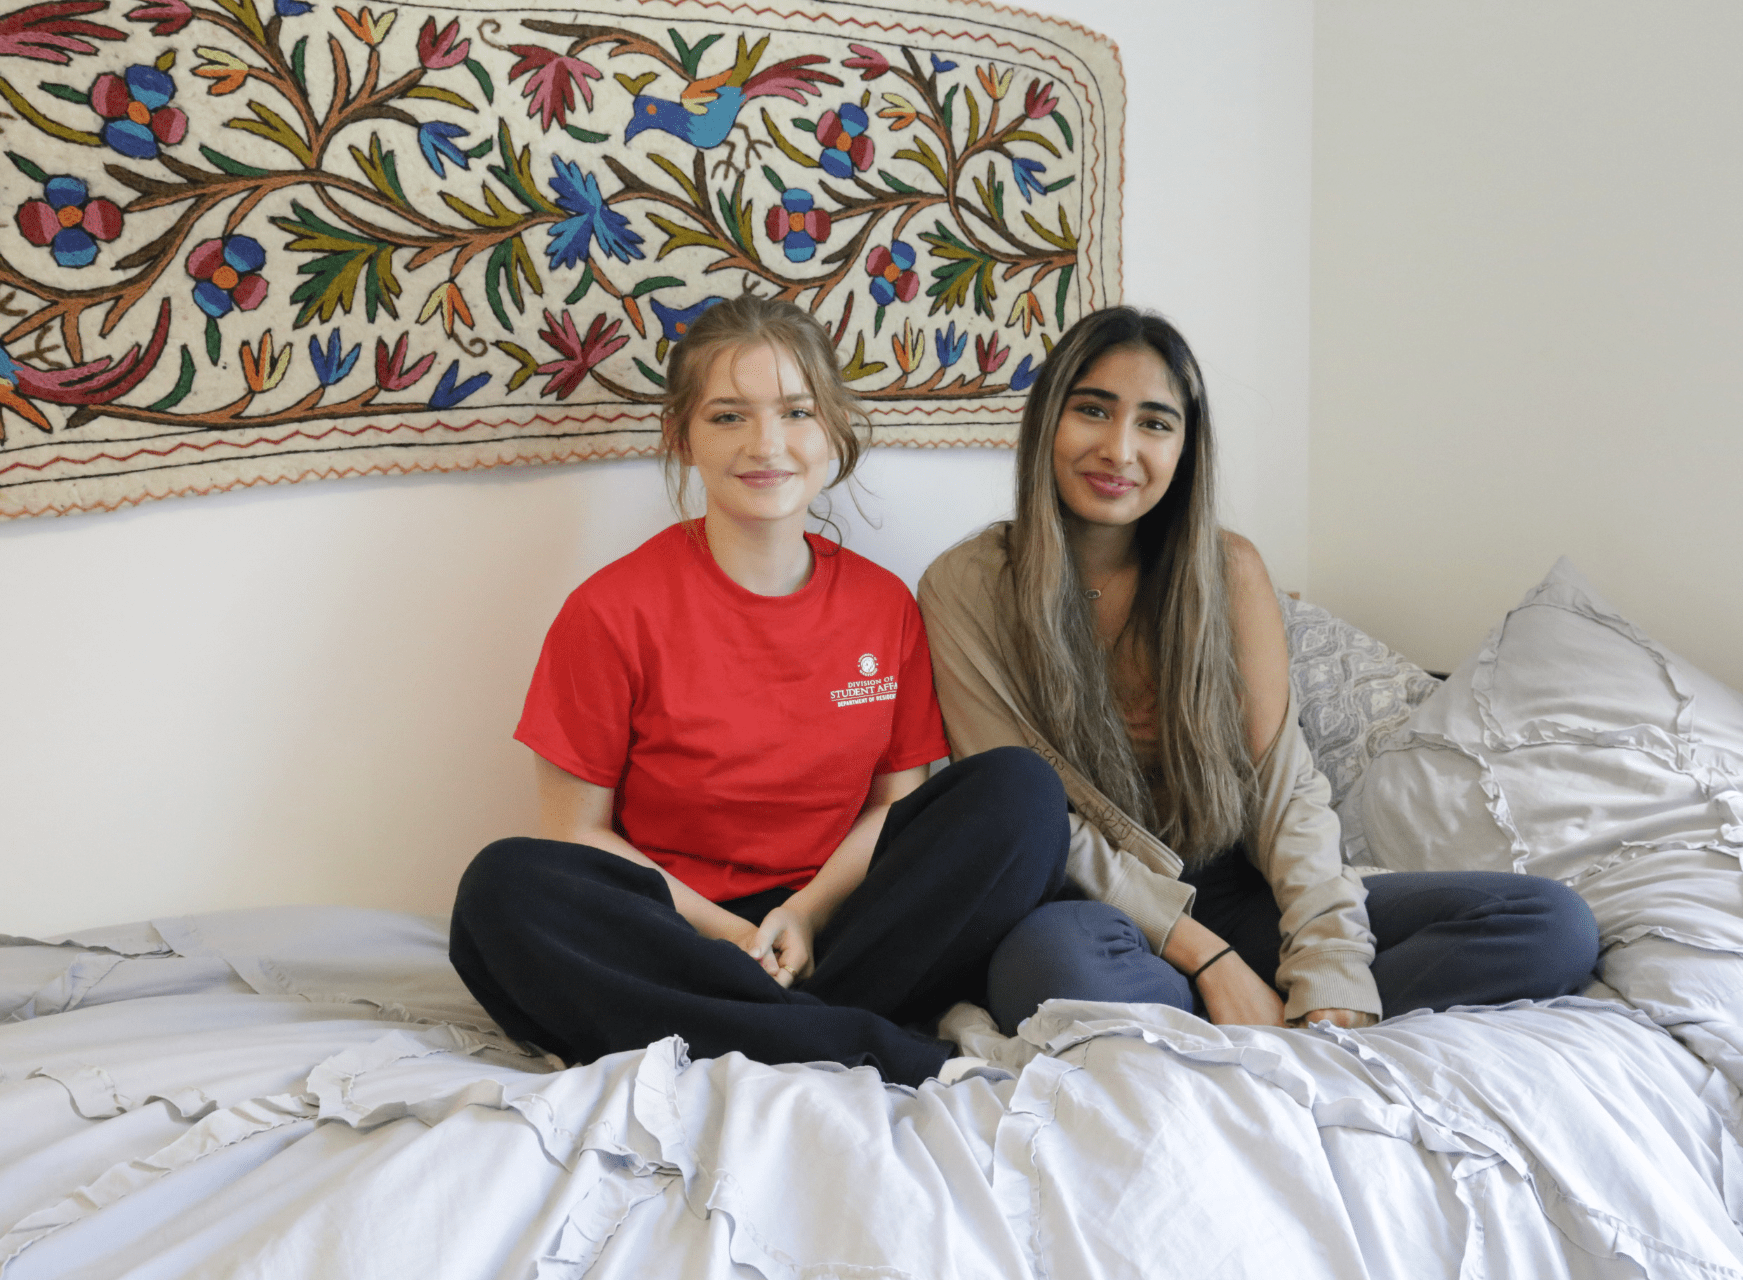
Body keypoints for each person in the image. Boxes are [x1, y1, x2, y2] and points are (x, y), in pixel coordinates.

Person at [917, 307, 1600, 1034]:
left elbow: (1284, 788)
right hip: (1087, 906)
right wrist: (1211, 963)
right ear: (1046, 421)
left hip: (1236, 889)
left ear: (1186, 447)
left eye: (1154, 423)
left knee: (1550, 924)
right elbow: (1036, 824)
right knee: (1052, 971)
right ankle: (1231, 1016)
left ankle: (1260, 1026)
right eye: (1092, 411)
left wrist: (1328, 962)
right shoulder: (964, 587)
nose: (1119, 450)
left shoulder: (1229, 571)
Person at [450, 295, 1069, 1085]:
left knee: (1023, 794)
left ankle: (748, 1031)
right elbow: (577, 835)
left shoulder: (885, 606)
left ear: (834, 427)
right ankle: (851, 1040)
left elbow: (894, 809)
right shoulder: (608, 612)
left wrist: (804, 914)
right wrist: (729, 937)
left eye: (796, 411)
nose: (766, 444)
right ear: (681, 437)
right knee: (499, 891)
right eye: (728, 417)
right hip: (674, 934)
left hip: (843, 929)